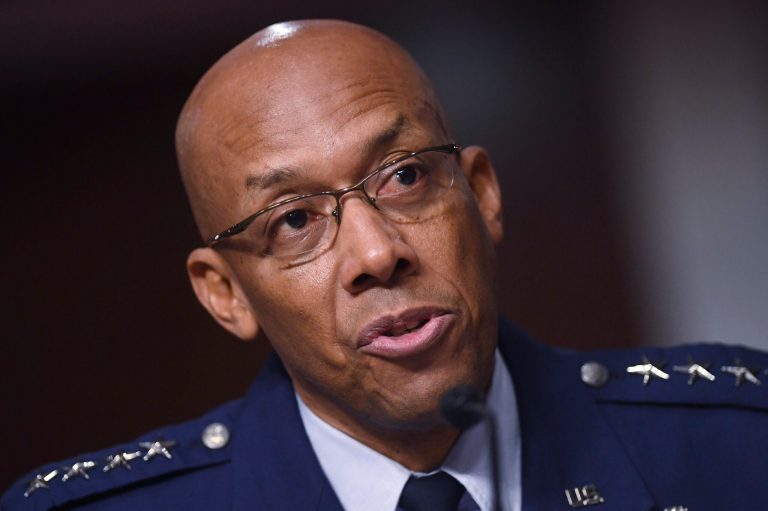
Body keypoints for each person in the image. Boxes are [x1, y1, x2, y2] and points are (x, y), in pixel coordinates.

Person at [3, 19, 767, 511]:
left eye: (404, 176)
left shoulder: (736, 444)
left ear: (483, 194)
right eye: (294, 220)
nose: (376, 253)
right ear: (225, 293)